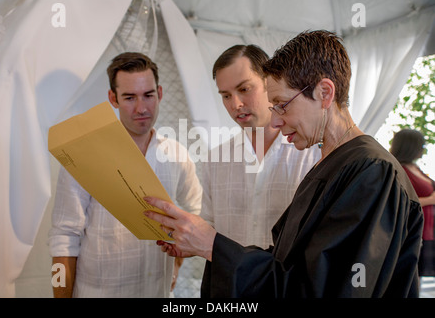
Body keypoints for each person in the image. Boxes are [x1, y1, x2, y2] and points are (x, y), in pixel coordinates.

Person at [144, 30, 424, 297]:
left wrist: (213, 245)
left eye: (281, 103)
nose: (275, 120)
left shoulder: (372, 173)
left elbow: (323, 288)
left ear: (324, 93)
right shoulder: (331, 164)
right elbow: (288, 262)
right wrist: (203, 241)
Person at [48, 52, 202, 297]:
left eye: (148, 95)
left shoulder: (177, 155)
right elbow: (64, 236)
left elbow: (195, 214)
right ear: (113, 98)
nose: (141, 108)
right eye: (129, 97)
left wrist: (176, 265)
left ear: (160, 93)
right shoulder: (84, 155)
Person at [201, 45, 320, 248]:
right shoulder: (214, 160)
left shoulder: (312, 155)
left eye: (244, 89)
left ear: (269, 82)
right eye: (226, 95)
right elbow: (207, 228)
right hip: (231, 279)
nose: (235, 104)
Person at [391, 129, 435, 277]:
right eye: (421, 146)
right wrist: (430, 200)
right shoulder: (398, 169)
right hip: (411, 230)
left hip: (427, 230)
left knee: (419, 276)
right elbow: (399, 200)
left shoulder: (415, 167)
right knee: (408, 276)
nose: (423, 150)